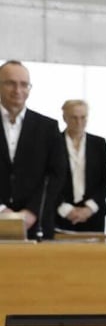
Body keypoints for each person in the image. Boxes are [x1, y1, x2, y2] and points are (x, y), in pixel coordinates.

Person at [0, 60, 66, 240]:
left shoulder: (48, 128)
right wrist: (1, 210)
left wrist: (32, 211)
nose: (17, 90)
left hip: (37, 225)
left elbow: (57, 174)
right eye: (10, 83)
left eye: (24, 84)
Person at [55, 99, 106, 233]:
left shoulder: (99, 144)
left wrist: (89, 208)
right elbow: (48, 179)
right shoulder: (53, 143)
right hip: (61, 214)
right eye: (74, 117)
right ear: (64, 118)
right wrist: (65, 208)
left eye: (83, 117)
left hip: (93, 215)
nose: (79, 122)